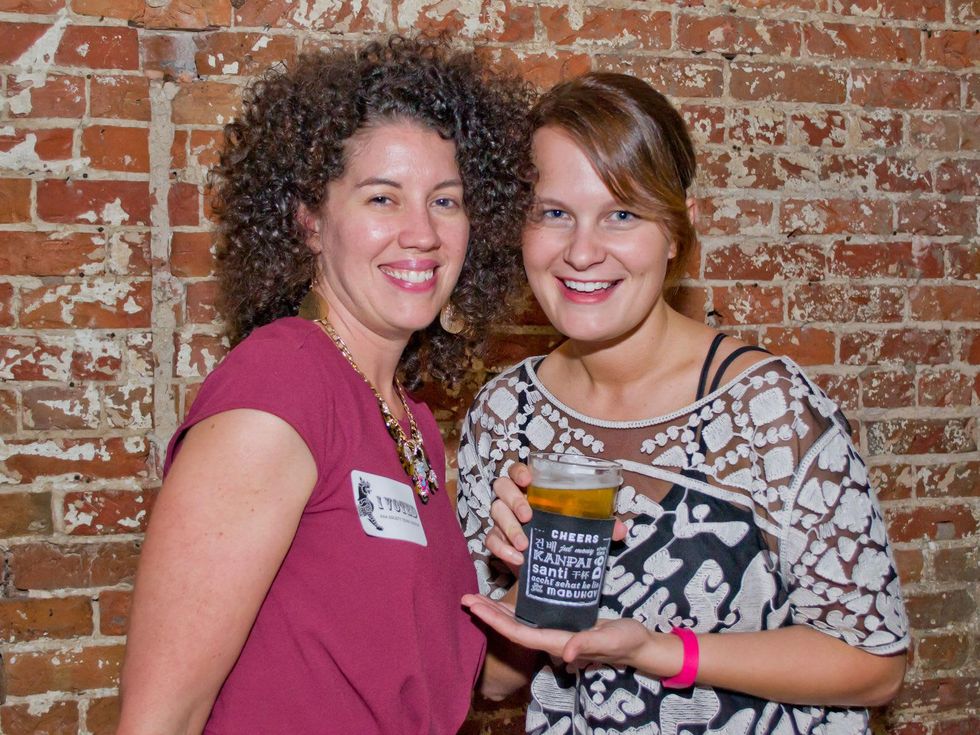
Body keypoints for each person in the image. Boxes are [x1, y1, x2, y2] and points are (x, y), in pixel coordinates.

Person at [456, 72, 908, 734]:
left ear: (677, 233)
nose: (582, 251)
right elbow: (492, 681)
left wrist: (662, 651)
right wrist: (535, 581)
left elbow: (876, 662)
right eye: (554, 213)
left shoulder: (766, 410)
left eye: (623, 214)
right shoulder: (503, 415)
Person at [117, 37, 534, 734]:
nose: (422, 233)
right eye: (382, 198)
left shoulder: (412, 421)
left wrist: (546, 568)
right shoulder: (280, 387)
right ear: (311, 220)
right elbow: (159, 717)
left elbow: (478, 679)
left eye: (445, 200)